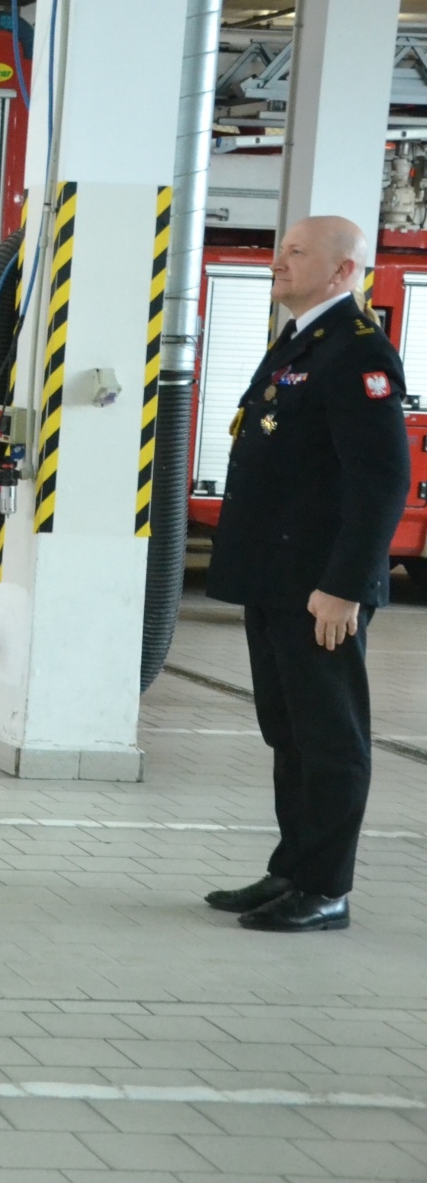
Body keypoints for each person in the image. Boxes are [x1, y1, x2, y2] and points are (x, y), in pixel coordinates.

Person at [203, 215, 410, 934]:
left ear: (343, 270)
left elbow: (382, 480)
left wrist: (346, 585)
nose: (278, 261)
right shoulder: (301, 341)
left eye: (296, 252)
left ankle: (325, 888)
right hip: (277, 576)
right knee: (288, 733)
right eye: (280, 249)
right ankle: (292, 869)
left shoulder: (357, 351)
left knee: (329, 739)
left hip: (322, 587)